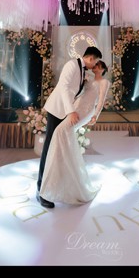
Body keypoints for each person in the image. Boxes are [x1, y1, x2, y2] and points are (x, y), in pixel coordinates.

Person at [36, 46, 102, 208]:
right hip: (57, 109)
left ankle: (55, 185)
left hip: (65, 112)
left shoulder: (83, 71)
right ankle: (41, 189)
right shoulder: (72, 65)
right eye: (96, 62)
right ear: (91, 58)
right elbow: (64, 87)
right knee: (49, 148)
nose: (95, 65)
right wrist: (71, 111)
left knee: (59, 148)